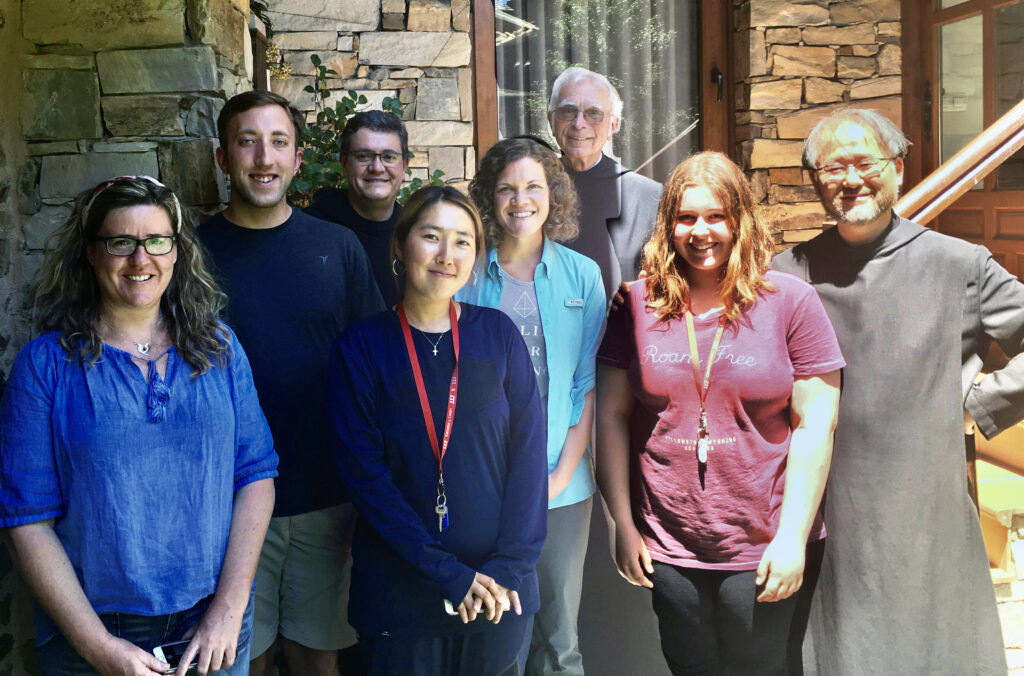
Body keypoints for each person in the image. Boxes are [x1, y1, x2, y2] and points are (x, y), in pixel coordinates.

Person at [772, 108, 1024, 674]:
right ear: (815, 180)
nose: (850, 180)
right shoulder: (786, 274)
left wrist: (980, 404)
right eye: (833, 168)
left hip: (923, 505)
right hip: (824, 503)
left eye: (866, 163)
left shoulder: (959, 266)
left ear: (899, 169)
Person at [0, 176, 277, 675]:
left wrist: (228, 612)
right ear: (90, 252)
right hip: (91, 635)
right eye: (121, 242)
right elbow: (27, 519)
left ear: (177, 252)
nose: (140, 259)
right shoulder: (45, 366)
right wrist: (100, 649)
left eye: (156, 240)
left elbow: (255, 476)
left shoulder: (219, 348)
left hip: (212, 624)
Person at [597, 152, 844, 675]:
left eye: (716, 216)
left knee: (761, 665)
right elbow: (612, 417)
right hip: (667, 538)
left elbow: (815, 424)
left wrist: (793, 536)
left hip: (762, 537)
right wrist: (621, 520)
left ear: (740, 222)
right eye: (686, 217)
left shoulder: (790, 302)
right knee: (689, 665)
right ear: (668, 225)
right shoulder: (635, 304)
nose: (700, 231)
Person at [199, 90, 384, 676]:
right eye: (248, 141)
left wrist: (369, 488)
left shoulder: (336, 247)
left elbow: (372, 373)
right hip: (221, 503)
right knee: (238, 659)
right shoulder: (190, 256)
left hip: (324, 499)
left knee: (316, 658)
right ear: (224, 158)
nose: (264, 156)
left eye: (278, 142)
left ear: (298, 159)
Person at [328, 186, 548, 676]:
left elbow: (529, 459)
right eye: (431, 237)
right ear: (401, 245)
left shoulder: (499, 336)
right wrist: (447, 574)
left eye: (463, 241)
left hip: (497, 591)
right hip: (400, 591)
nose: (447, 256)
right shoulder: (361, 347)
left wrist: (508, 568)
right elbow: (365, 478)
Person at [458, 136, 605, 675]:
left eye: (533, 187)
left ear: (554, 194)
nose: (520, 200)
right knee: (497, 634)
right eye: (506, 188)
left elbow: (585, 386)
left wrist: (560, 475)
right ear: (489, 197)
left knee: (559, 636)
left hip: (562, 488)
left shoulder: (581, 275)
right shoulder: (467, 274)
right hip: (484, 486)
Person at [547, 66, 663, 300]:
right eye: (568, 111)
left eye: (593, 113)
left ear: (613, 125)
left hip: (617, 330)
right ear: (551, 120)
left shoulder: (648, 196)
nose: (579, 123)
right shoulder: (529, 191)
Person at [306, 109, 411, 307]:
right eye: (364, 156)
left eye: (389, 157)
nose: (377, 167)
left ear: (404, 166)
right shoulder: (312, 231)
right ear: (344, 164)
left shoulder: (414, 232)